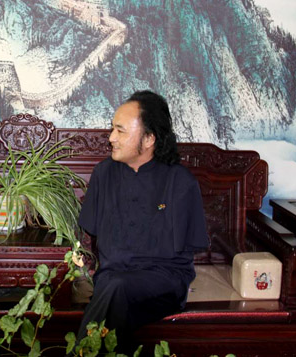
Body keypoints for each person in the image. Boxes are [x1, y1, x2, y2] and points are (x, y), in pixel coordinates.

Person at [76, 90, 208, 354]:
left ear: (149, 139)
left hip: (163, 281)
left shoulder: (180, 181)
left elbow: (184, 254)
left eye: (120, 131)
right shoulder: (103, 174)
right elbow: (90, 232)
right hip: (112, 278)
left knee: (116, 289)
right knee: (115, 290)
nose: (111, 138)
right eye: (112, 129)